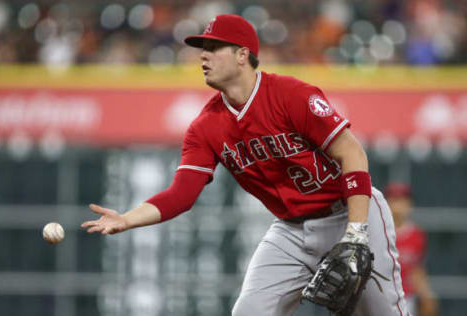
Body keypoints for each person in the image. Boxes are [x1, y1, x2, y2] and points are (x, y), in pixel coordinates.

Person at [82, 14, 408, 316]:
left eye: (213, 47)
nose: (203, 56)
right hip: (291, 231)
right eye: (202, 49)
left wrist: (356, 232)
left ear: (242, 55)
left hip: (348, 214)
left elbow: (353, 154)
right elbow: (181, 195)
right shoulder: (205, 127)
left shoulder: (291, 95)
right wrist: (127, 219)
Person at [384, 182, 438, 316]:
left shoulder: (417, 235)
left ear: (409, 204)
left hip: (406, 298)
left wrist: (426, 295)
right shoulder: (379, 232)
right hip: (382, 296)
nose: (397, 206)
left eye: (402, 200)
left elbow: (417, 270)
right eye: (394, 200)